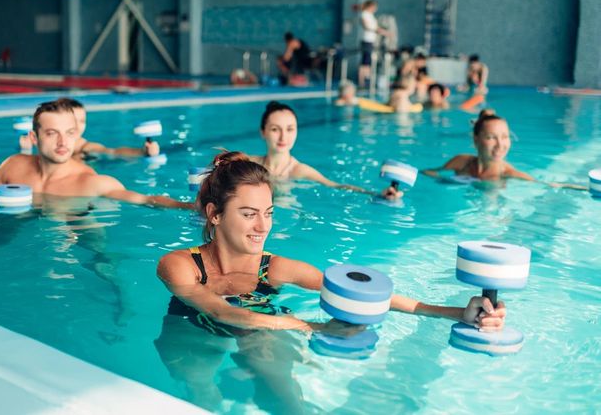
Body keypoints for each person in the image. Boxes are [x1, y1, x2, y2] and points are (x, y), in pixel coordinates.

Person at [155, 152, 505, 410]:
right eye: (248, 215)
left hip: (262, 330)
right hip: (192, 333)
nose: (263, 226)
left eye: (268, 213)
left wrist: (458, 313)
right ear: (215, 215)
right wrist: (313, 327)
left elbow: (360, 294)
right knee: (201, 393)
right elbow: (221, 312)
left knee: (290, 400)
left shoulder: (273, 268)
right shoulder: (180, 265)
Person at [0, 99, 192, 209]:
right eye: (51, 133)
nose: (62, 142)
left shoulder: (91, 182)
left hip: (76, 227)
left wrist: (188, 207)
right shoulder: (12, 166)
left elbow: (145, 199)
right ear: (34, 137)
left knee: (99, 264)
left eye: (69, 133)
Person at [250, 101, 399, 198]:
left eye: (290, 129)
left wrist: (378, 194)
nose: (283, 137)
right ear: (263, 132)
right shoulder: (250, 163)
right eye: (275, 129)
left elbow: (336, 186)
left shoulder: (299, 171)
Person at [423, 112, 585, 189]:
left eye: (505, 137)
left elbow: (550, 185)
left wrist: (585, 188)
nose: (501, 145)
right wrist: (446, 181)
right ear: (476, 140)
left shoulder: (507, 173)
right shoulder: (461, 162)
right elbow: (428, 172)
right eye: (492, 137)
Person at [19, 98, 159, 159]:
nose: (78, 126)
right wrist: (26, 150)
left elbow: (113, 152)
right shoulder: (44, 144)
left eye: (82, 121)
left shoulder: (86, 147)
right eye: (74, 121)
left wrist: (142, 152)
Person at [356, 0, 391, 88]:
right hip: (366, 40)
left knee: (368, 61)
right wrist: (383, 32)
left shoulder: (370, 15)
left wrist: (382, 31)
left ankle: (367, 79)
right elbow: (368, 27)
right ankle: (362, 82)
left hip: (371, 40)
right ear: (371, 6)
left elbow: (375, 27)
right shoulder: (364, 14)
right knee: (365, 62)